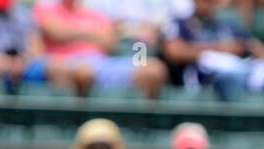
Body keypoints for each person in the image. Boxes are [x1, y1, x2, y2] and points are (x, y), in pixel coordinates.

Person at [161, 0, 264, 102]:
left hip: (241, 71)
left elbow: (253, 45)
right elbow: (174, 52)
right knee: (231, 78)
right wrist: (220, 49)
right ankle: (238, 130)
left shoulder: (225, 25)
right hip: (208, 78)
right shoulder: (181, 23)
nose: (208, 3)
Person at [31, 0, 166, 98]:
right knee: (82, 72)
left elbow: (110, 42)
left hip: (102, 63)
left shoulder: (94, 11)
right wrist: (91, 34)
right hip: (65, 63)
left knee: (153, 69)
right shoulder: (46, 6)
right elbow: (55, 33)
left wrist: (70, 33)